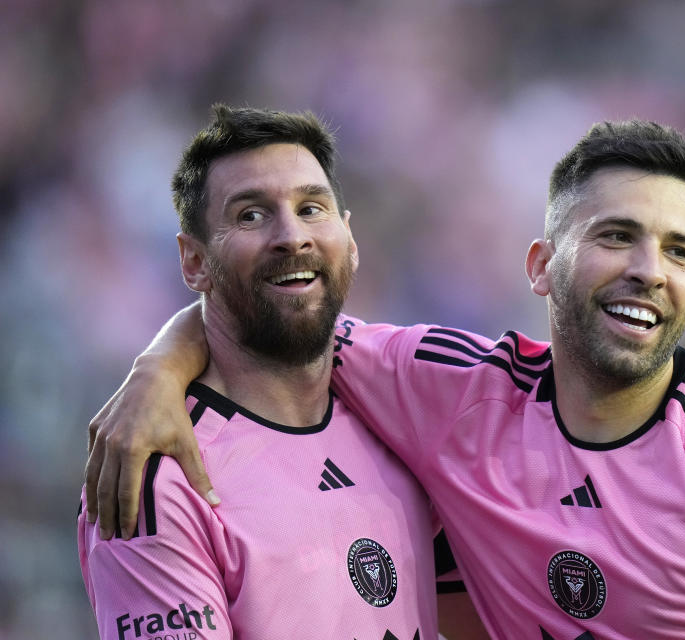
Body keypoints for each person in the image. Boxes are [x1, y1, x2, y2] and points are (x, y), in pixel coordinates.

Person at [85, 119, 685, 639]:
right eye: (616, 236)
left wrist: (156, 367)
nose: (649, 272)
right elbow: (282, 318)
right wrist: (158, 370)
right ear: (541, 266)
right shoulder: (451, 394)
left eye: (679, 251)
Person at [77, 105, 486, 640]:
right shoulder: (158, 477)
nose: (291, 236)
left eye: (312, 208)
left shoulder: (405, 406)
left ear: (350, 238)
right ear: (194, 261)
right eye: (251, 215)